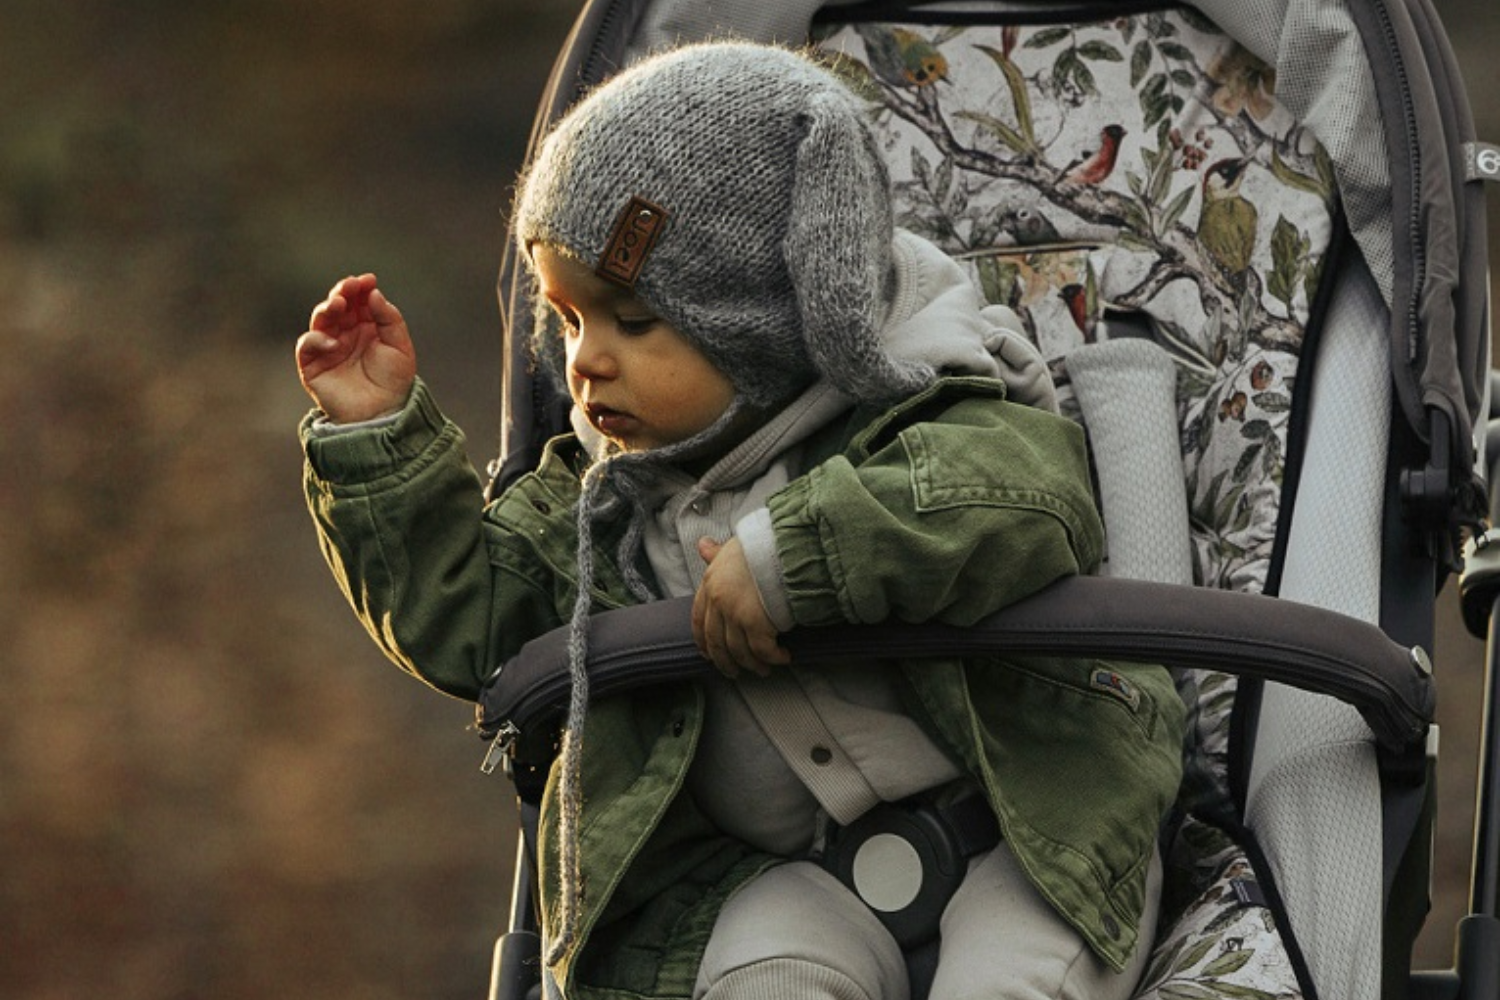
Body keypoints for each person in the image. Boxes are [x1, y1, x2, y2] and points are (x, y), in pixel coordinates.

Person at [296, 41, 1183, 1000]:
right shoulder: (599, 504)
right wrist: (375, 433)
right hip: (777, 876)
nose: (585, 363)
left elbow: (1021, 501)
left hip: (1027, 821)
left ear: (769, 317)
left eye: (631, 321)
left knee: (1011, 983)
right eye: (567, 319)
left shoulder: (933, 400)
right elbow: (472, 622)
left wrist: (803, 554)